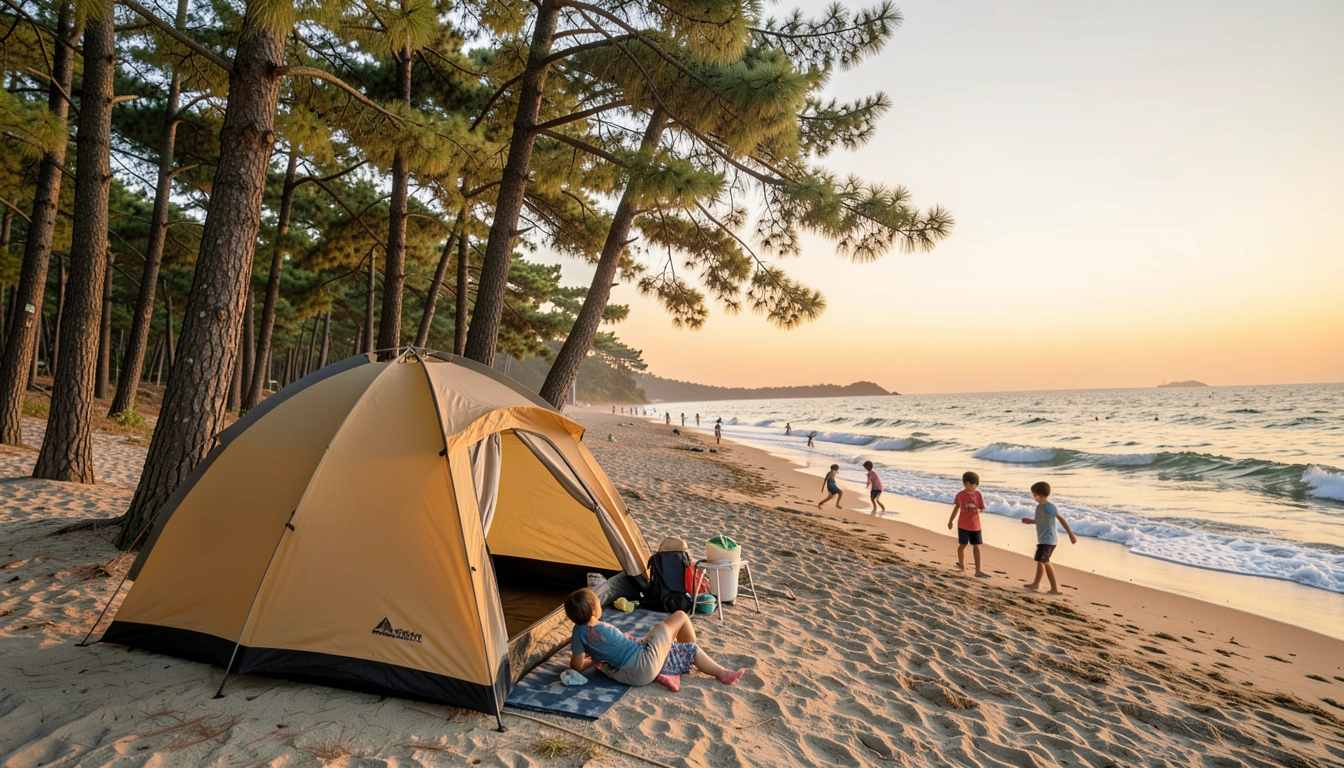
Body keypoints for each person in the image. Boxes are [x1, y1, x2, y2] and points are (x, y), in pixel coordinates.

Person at [565, 588, 744, 691]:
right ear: (595, 611)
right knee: (681, 619)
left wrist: (593, 660)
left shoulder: (579, 632)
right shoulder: (603, 628)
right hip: (644, 663)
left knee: (650, 638)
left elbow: (577, 666)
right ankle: (719, 672)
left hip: (628, 676)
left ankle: (669, 668)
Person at [1020, 481, 1077, 594]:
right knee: (1041, 561)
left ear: (1039, 494)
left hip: (1049, 539)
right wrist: (1030, 521)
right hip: (1043, 539)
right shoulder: (1039, 507)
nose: (1034, 497)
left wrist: (1071, 534)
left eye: (1034, 494)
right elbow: (1042, 521)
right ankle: (1036, 584)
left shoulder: (1049, 507)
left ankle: (1054, 589)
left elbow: (1061, 519)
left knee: (1045, 561)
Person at [947, 471, 989, 578]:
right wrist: (950, 521)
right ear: (965, 483)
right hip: (963, 525)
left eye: (975, 486)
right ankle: (961, 564)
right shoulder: (960, 495)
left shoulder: (978, 494)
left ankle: (978, 570)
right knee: (963, 545)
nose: (973, 488)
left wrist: (978, 511)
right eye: (971, 486)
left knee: (977, 546)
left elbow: (982, 508)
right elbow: (956, 508)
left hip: (975, 526)